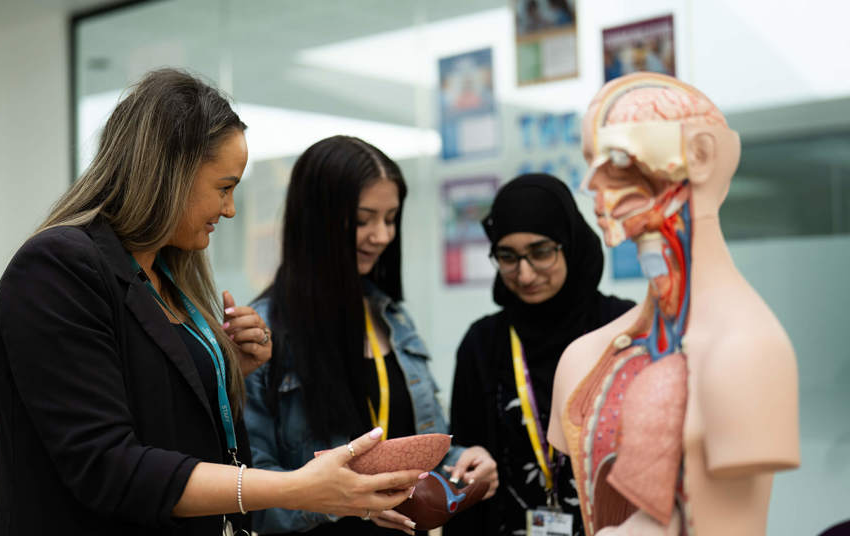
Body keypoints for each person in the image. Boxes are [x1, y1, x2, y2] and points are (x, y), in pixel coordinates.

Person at [0, 69, 423, 536]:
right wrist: (295, 488)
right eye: (224, 187)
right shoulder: (57, 267)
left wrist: (226, 369)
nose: (231, 209)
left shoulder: (167, 277)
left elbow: (163, 422)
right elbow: (107, 466)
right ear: (169, 173)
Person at [548, 72, 799, 535]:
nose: (592, 185)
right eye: (589, 162)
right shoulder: (582, 359)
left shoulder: (747, 352)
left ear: (700, 156)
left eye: (618, 158)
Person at [244, 135, 499, 536]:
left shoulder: (392, 317)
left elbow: (419, 447)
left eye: (391, 218)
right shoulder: (262, 335)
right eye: (363, 220)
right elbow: (249, 492)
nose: (381, 235)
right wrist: (340, 502)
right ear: (317, 221)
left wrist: (466, 460)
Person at [444, 173, 635, 536]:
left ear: (570, 242)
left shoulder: (621, 328)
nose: (525, 273)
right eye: (508, 256)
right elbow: (463, 464)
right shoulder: (482, 344)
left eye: (541, 252)